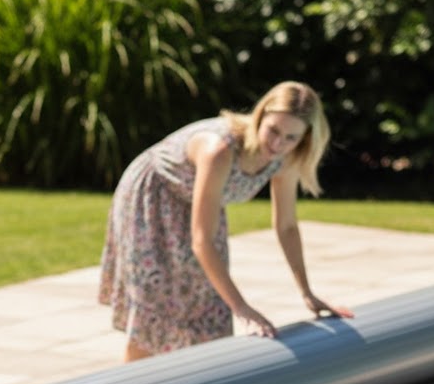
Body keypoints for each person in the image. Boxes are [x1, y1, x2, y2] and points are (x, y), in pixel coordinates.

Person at [98, 80, 354, 362]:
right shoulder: (219, 149)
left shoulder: (285, 158)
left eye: (291, 137)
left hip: (202, 201)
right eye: (273, 130)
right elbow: (202, 240)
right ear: (260, 115)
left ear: (305, 138)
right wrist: (242, 307)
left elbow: (287, 225)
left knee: (208, 307)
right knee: (156, 311)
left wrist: (307, 293)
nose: (278, 143)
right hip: (153, 200)